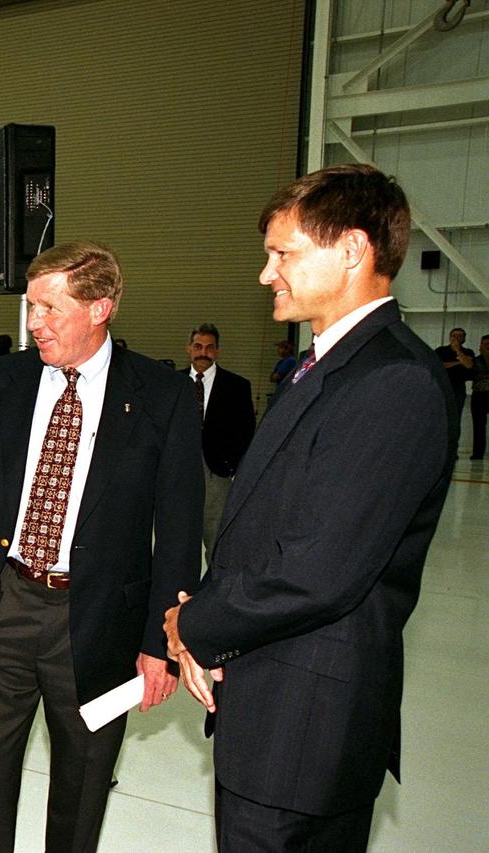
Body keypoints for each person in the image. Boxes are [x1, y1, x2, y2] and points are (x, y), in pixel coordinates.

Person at [165, 163, 457, 853]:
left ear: (352, 250)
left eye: (284, 253)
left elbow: (318, 569)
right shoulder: (329, 364)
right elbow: (268, 525)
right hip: (274, 705)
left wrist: (194, 623)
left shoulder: (394, 383)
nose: (268, 273)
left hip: (305, 726)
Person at [0, 241, 202, 853]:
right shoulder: (3, 380)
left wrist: (157, 645)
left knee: (83, 786)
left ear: (100, 308)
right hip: (0, 608)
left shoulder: (163, 396)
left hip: (99, 627)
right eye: (31, 307)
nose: (34, 323)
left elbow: (178, 530)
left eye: (50, 309)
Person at [183, 323, 255, 566]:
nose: (203, 352)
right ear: (188, 349)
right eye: (198, 346)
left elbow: (246, 431)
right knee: (180, 540)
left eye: (210, 347)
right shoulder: (173, 383)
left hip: (217, 473)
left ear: (218, 351)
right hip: (179, 472)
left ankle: (213, 596)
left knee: (216, 540)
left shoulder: (237, 387)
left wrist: (232, 466)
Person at [436, 326, 474, 453]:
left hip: (458, 388)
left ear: (464, 338)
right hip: (443, 387)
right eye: (454, 335)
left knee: (456, 418)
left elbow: (469, 365)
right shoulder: (441, 351)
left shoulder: (468, 352)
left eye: (460, 336)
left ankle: (452, 448)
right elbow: (439, 366)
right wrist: (458, 363)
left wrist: (458, 351)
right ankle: (440, 448)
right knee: (441, 418)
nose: (456, 338)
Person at [472, 334, 489, 460]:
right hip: (479, 394)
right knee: (479, 425)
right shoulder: (475, 360)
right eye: (485, 344)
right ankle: (478, 453)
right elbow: (472, 374)